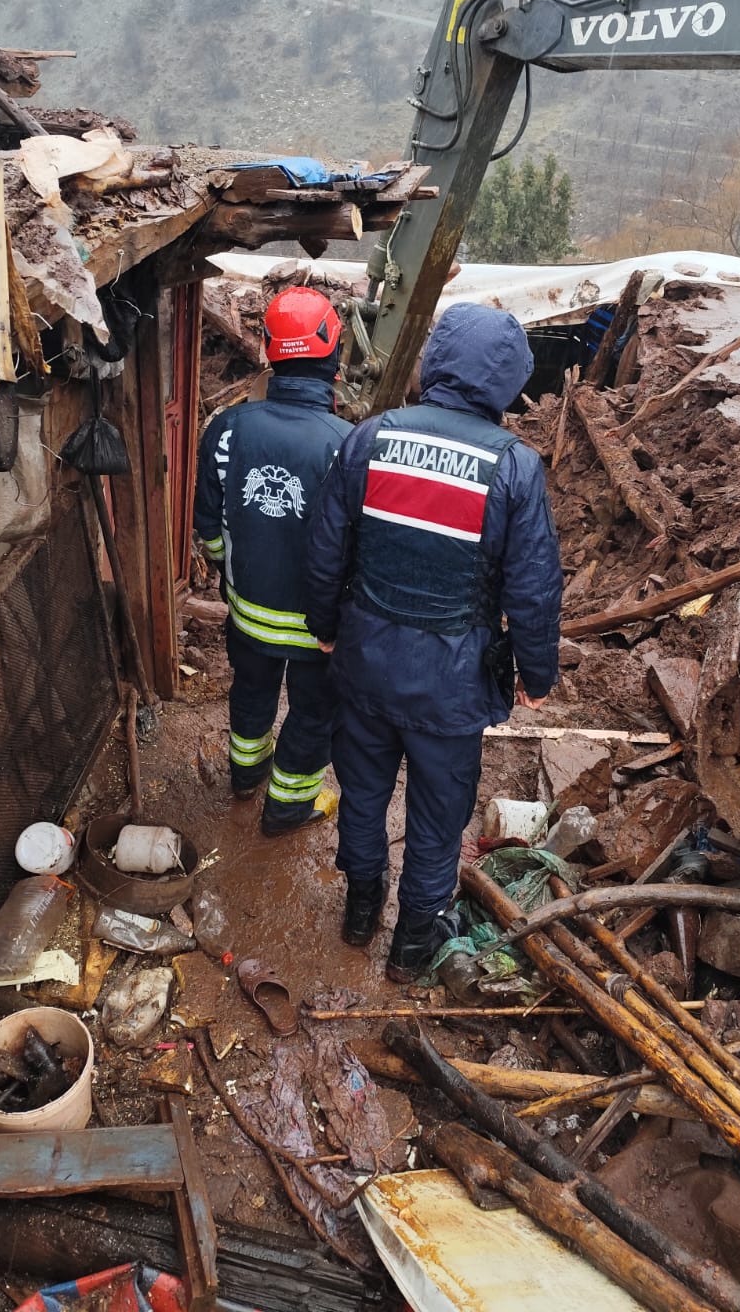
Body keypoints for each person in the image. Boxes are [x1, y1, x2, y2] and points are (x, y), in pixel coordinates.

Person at [306, 302, 563, 980]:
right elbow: (533, 589)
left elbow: (326, 549)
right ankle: (413, 943)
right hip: (452, 688)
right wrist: (536, 675)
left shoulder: (370, 438)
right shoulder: (515, 467)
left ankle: (361, 908)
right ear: (509, 381)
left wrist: (325, 629)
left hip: (365, 666)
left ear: (436, 359)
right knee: (438, 813)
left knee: (363, 793)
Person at [194, 286, 352, 837]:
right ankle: (287, 808)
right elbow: (353, 547)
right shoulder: (349, 444)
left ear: (268, 349)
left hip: (248, 615)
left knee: (251, 691)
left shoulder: (228, 429)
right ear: (333, 351)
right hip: (318, 631)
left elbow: (209, 528)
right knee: (314, 713)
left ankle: (245, 776)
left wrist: (231, 578)